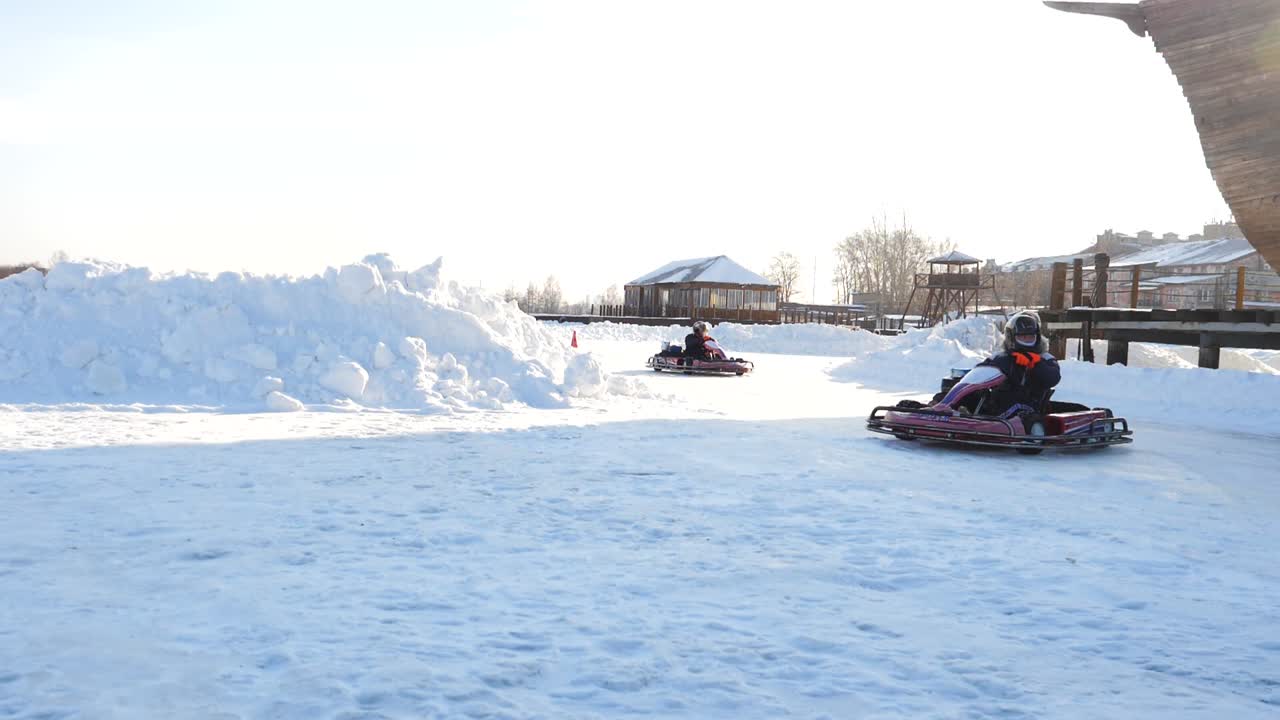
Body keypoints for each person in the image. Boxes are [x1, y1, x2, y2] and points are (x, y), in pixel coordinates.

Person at [973, 310, 1061, 416]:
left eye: (1030, 337)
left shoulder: (1046, 358)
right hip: (998, 412)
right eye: (1023, 337)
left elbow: (1053, 378)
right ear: (1012, 337)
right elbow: (980, 372)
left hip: (1029, 414)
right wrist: (1008, 360)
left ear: (1037, 337)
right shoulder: (1000, 357)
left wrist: (1034, 363)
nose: (1027, 340)